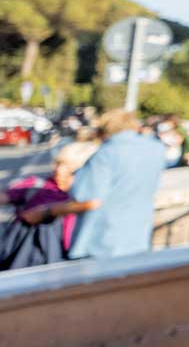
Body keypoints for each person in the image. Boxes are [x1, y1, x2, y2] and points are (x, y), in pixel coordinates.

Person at [49, 109, 167, 260]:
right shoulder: (155, 148)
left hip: (100, 243)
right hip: (138, 238)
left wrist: (47, 212)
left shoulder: (106, 154)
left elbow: (88, 200)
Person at [2, 141, 100, 269]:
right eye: (58, 164)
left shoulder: (88, 199)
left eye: (70, 169)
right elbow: (5, 196)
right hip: (29, 264)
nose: (59, 172)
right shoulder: (35, 186)